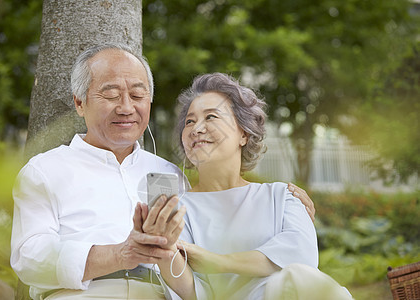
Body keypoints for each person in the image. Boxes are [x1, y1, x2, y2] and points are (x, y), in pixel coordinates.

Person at [11, 43, 316, 300]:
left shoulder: (169, 174)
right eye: (111, 94)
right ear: (80, 103)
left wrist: (282, 195)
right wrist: (120, 254)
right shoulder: (45, 170)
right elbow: (28, 258)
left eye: (137, 95)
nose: (126, 107)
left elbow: (217, 215)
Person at [139, 72, 351, 299]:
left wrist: (218, 262)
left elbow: (302, 256)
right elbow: (195, 293)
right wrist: (164, 252)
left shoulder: (282, 196)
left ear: (243, 133)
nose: (196, 128)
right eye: (189, 121)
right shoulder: (178, 210)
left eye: (210, 117)